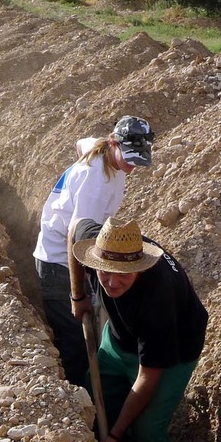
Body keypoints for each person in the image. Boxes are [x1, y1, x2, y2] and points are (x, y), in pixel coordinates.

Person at [69, 217, 208, 442]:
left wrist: (116, 434)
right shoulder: (102, 244)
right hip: (119, 339)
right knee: (91, 396)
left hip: (171, 356)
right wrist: (78, 295)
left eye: (123, 276)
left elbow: (148, 378)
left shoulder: (158, 297)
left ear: (140, 268)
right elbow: (74, 231)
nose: (112, 282)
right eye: (104, 273)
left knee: (146, 433)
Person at [33, 116, 154, 386]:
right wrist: (78, 295)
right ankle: (80, 400)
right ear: (114, 143)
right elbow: (76, 236)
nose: (132, 167)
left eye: (138, 160)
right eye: (129, 158)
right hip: (60, 262)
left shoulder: (100, 150)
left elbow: (81, 144)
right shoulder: (96, 183)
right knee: (75, 343)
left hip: (68, 254)